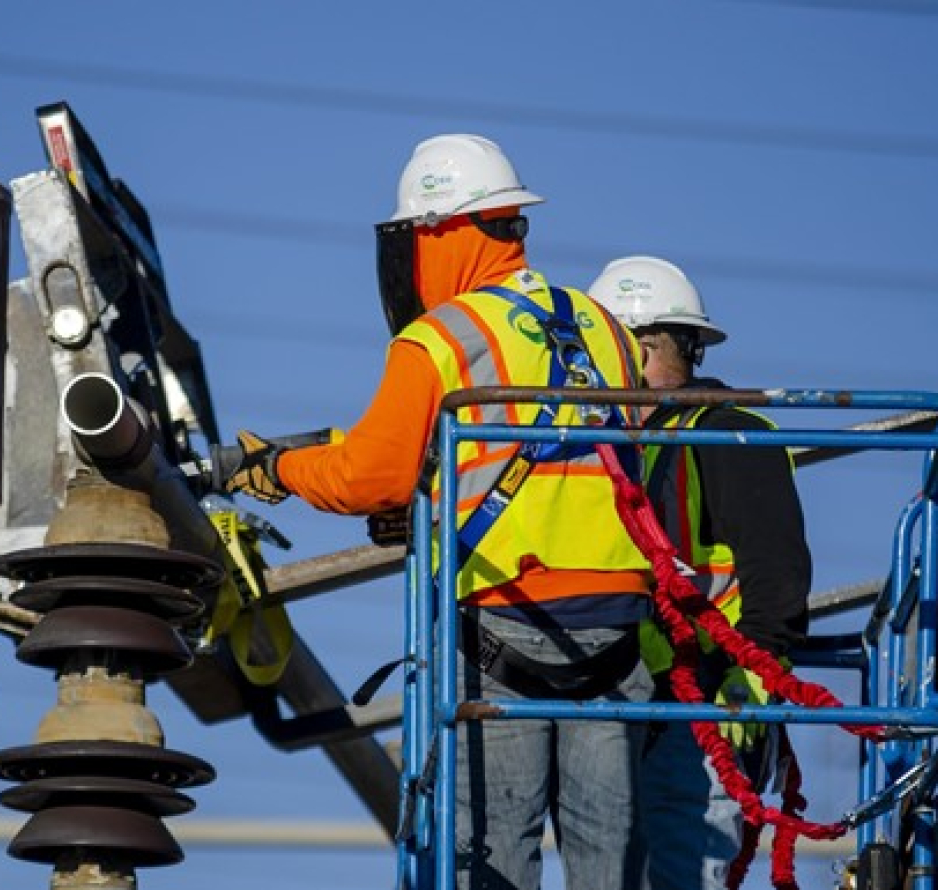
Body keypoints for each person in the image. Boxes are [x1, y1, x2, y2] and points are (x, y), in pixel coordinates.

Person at [224, 133, 653, 890]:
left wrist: (281, 470)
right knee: (609, 868)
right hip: (619, 631)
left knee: (488, 859)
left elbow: (368, 478)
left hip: (505, 626)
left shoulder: (442, 336)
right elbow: (587, 464)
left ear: (438, 231)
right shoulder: (604, 327)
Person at [587, 255, 812, 890]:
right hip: (637, 703)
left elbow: (778, 574)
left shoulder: (728, 435)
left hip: (709, 705)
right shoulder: (624, 446)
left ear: (646, 345)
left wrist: (751, 684)